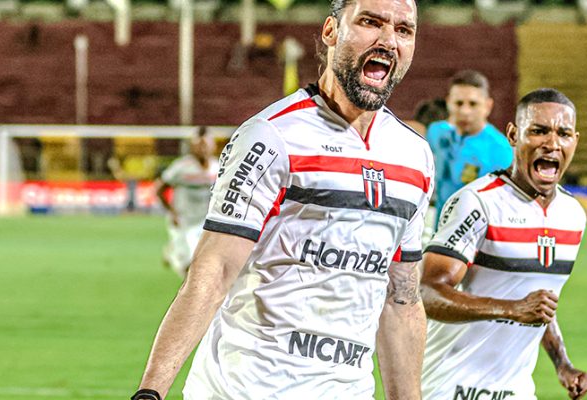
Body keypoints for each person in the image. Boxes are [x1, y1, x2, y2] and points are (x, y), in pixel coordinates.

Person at [132, 0, 433, 399]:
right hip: (244, 389)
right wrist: (150, 392)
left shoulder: (414, 156)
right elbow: (215, 270)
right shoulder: (271, 136)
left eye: (403, 30)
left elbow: (401, 300)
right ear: (331, 32)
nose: (388, 40)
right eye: (370, 22)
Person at [419, 88, 587, 400]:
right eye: (538, 131)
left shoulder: (572, 216)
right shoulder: (477, 203)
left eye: (563, 134)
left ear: (575, 142)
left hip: (516, 391)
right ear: (513, 135)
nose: (552, 143)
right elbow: (428, 292)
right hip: (450, 388)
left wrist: (562, 364)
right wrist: (512, 309)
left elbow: (538, 301)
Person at [426, 70, 513, 217]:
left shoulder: (500, 150)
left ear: (488, 106)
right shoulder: (436, 132)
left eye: (473, 104)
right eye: (459, 103)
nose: (465, 111)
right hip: (438, 226)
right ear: (448, 103)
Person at [155, 127, 218, 277]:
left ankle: (173, 251)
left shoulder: (218, 167)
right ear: (192, 147)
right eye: (199, 145)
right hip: (183, 220)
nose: (203, 149)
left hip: (205, 221)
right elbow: (160, 189)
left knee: (199, 262)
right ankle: (175, 253)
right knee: (188, 267)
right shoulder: (181, 167)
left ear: (213, 146)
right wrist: (172, 212)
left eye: (206, 145)